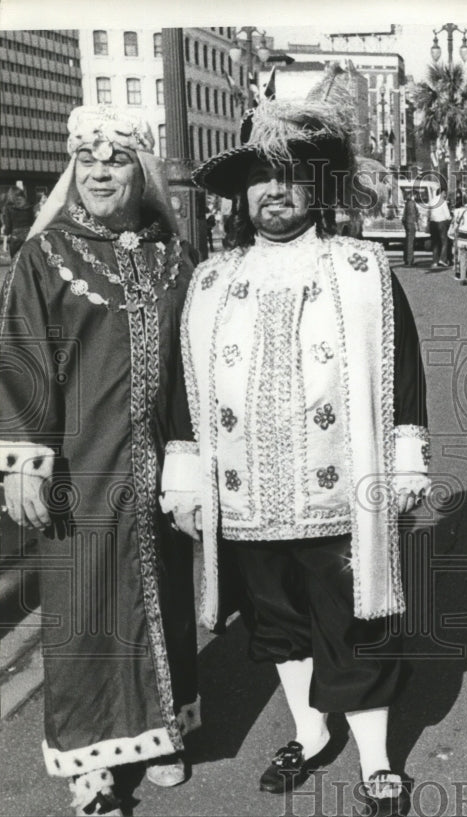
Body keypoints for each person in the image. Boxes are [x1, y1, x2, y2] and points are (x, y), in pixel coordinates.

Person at [177, 93, 429, 815]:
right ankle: (311, 731)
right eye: (262, 176)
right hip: (248, 497)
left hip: (341, 495)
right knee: (277, 625)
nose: (276, 190)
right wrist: (188, 483)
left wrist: (407, 460)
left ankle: (378, 759)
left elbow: (402, 369)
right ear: (243, 192)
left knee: (356, 623)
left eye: (291, 175)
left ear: (315, 185)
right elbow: (183, 393)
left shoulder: (362, 269)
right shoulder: (210, 282)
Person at [0, 106, 200, 817]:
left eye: (115, 159)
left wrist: (195, 456)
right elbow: (23, 353)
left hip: (159, 469)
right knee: (84, 609)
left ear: (140, 170)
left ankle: (157, 731)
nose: (100, 171)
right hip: (82, 471)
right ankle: (91, 765)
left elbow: (195, 361)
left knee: (164, 599)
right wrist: (23, 458)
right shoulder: (45, 255)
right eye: (88, 160)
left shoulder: (174, 256)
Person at [2, 186, 34, 259]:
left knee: (15, 263)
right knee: (27, 262)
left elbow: (8, 226)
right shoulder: (29, 207)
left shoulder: (9, 208)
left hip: (16, 238)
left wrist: (5, 243)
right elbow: (32, 222)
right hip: (28, 236)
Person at [428, 188, 451, 268]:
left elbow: (429, 213)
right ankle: (442, 259)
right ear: (442, 192)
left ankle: (435, 261)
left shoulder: (432, 201)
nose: (445, 195)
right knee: (444, 242)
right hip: (441, 223)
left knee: (435, 243)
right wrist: (450, 219)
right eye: (445, 193)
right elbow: (447, 215)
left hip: (433, 223)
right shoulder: (442, 202)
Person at [402, 190, 418, 267]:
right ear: (413, 195)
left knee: (407, 241)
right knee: (410, 242)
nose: (416, 197)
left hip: (407, 223)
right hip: (411, 223)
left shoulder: (407, 203)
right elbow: (413, 215)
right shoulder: (412, 203)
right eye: (415, 195)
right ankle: (410, 260)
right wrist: (416, 224)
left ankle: (406, 259)